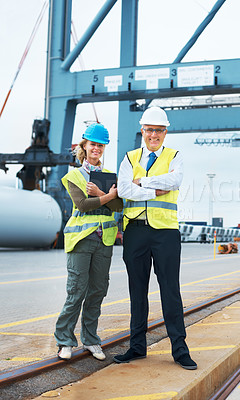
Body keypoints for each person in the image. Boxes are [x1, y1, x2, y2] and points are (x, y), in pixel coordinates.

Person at [114, 106, 197, 370]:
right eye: (150, 130)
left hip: (166, 233)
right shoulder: (129, 158)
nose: (154, 135)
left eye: (159, 130)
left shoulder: (175, 156)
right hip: (135, 231)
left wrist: (142, 182)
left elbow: (175, 181)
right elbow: (125, 188)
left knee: (170, 291)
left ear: (165, 132)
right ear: (143, 130)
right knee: (137, 292)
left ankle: (180, 350)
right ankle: (137, 348)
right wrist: (153, 189)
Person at [54, 123, 118, 361]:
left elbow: (118, 206)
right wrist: (109, 197)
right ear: (84, 146)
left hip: (104, 241)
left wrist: (105, 195)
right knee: (76, 291)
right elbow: (82, 204)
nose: (97, 149)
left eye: (100, 145)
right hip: (81, 240)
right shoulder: (73, 176)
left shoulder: (109, 176)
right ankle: (64, 341)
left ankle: (91, 340)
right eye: (93, 144)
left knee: (97, 292)